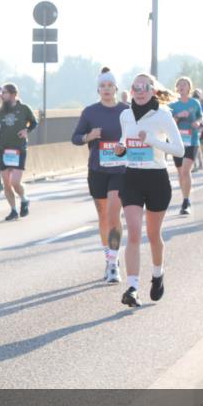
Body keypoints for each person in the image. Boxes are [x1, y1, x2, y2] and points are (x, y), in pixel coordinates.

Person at [114, 74, 184, 307]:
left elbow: (179, 150)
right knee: (133, 232)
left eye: (145, 87)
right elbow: (125, 141)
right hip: (132, 177)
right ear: (131, 90)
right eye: (136, 87)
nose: (140, 90)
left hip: (156, 178)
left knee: (153, 234)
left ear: (153, 91)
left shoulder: (162, 115)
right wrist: (120, 149)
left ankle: (157, 274)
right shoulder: (125, 114)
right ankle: (132, 287)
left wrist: (153, 141)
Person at [71, 67, 127, 283]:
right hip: (97, 169)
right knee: (103, 215)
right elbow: (75, 138)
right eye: (102, 86)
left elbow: (136, 136)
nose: (106, 89)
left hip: (121, 170)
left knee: (114, 213)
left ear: (116, 88)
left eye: (110, 85)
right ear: (98, 89)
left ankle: (114, 264)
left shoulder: (126, 111)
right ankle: (108, 257)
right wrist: (89, 135)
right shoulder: (90, 112)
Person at [0, 83, 38, 221]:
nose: (1, 95)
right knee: (6, 183)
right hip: (3, 149)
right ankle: (13, 210)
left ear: (13, 94)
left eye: (4, 93)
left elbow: (34, 123)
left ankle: (24, 199)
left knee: (15, 182)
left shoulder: (24, 109)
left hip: (19, 149)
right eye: (1, 92)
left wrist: (26, 130)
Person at [168, 76, 203, 215]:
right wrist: (178, 117)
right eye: (180, 85)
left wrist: (198, 123)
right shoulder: (172, 105)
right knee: (180, 172)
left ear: (189, 88)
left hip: (192, 141)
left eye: (185, 84)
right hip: (177, 142)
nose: (182, 87)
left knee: (185, 171)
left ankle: (186, 201)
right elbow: (168, 123)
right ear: (176, 88)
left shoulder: (195, 103)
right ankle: (184, 196)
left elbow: (201, 116)